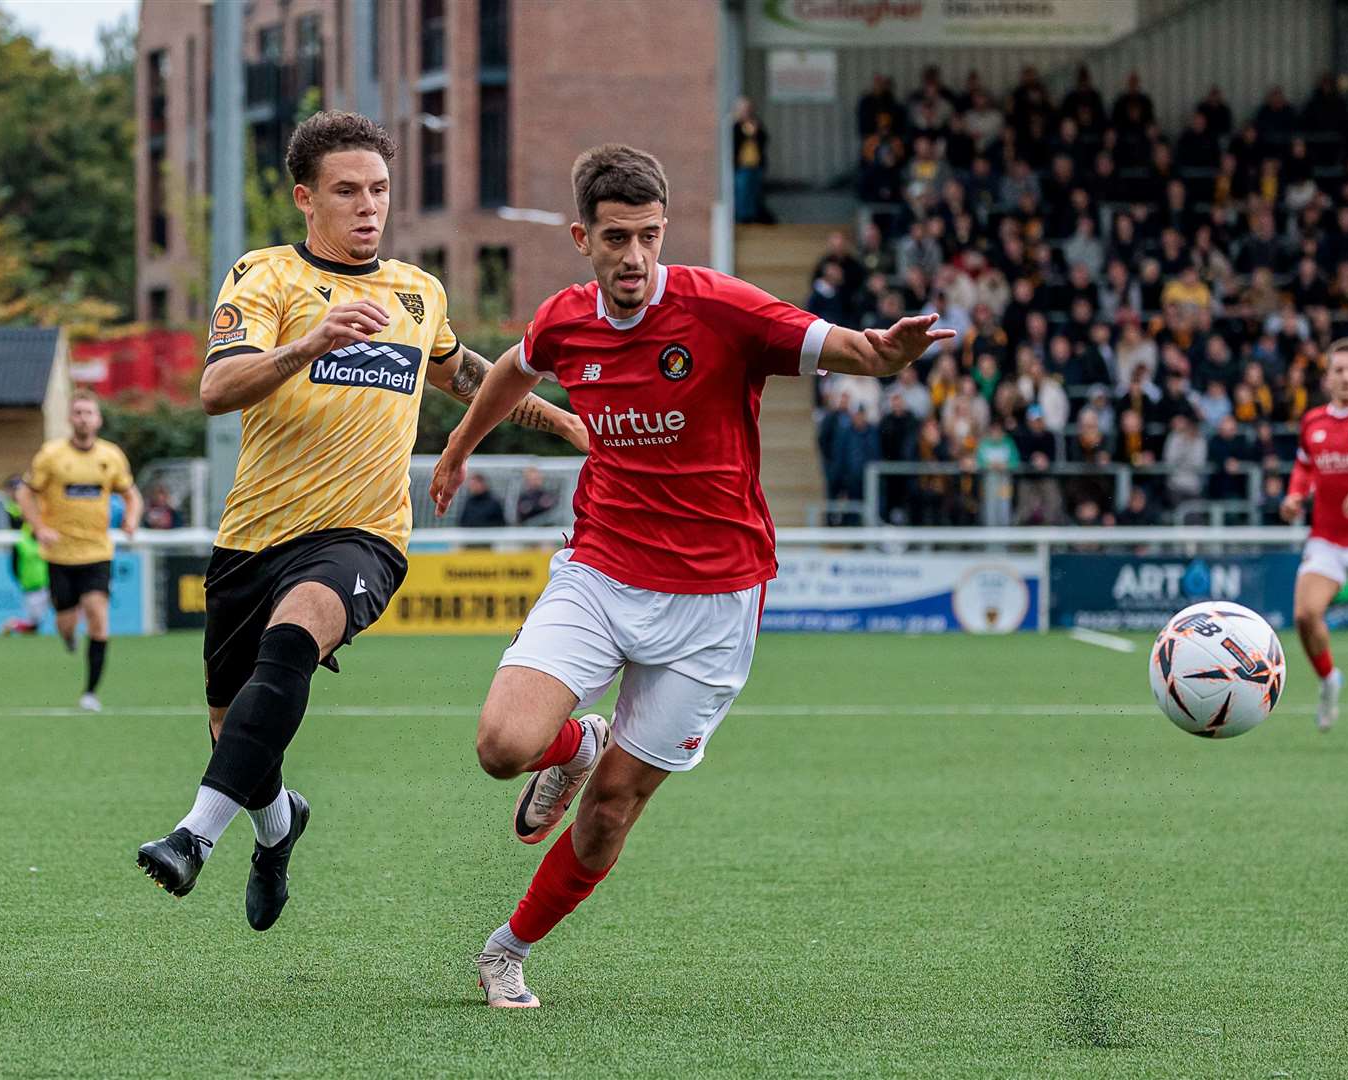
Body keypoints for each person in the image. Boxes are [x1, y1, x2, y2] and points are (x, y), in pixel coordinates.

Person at [428, 143, 951, 1008]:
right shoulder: (566, 317)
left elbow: (843, 347)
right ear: (582, 238)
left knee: (609, 813)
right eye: (616, 239)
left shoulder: (720, 310)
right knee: (502, 747)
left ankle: (505, 949)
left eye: (649, 237)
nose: (634, 257)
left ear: (665, 230)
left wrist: (883, 355)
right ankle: (576, 743)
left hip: (715, 601)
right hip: (600, 570)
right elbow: (516, 369)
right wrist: (455, 447)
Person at [134, 111, 586, 928]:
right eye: (347, 191)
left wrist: (561, 424)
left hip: (363, 534)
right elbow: (215, 391)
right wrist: (308, 343)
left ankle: (193, 838)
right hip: (252, 537)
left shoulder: (419, 291)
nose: (367, 205)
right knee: (235, 731)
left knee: (296, 635)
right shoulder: (265, 276)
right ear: (306, 198)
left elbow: (466, 375)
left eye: (378, 188)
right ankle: (277, 827)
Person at [16, 389, 142, 711]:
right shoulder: (51, 455)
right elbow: (25, 494)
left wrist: (130, 520)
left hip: (97, 552)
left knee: (98, 617)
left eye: (89, 413)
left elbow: (132, 496)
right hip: (60, 555)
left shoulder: (111, 456)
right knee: (66, 621)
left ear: (98, 419)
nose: (83, 418)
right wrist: (39, 528)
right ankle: (69, 636)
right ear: (70, 419)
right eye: (78, 413)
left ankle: (90, 693)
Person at [1280, 338, 1348, 731]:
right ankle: (1329, 679)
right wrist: (1294, 494)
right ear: (1327, 377)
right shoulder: (1313, 422)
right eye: (1339, 370)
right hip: (1328, 539)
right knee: (1305, 614)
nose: (1346, 376)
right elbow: (1304, 467)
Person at [1, 475, 50, 636]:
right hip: (32, 584)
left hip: (49, 581)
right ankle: (13, 625)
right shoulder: (13, 512)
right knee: (34, 625)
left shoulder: (38, 521)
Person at [732, 97, 769, 225]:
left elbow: (764, 140)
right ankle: (743, 217)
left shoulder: (756, 124)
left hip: (756, 165)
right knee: (742, 191)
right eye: (743, 110)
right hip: (741, 166)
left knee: (755, 191)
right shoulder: (735, 126)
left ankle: (754, 216)